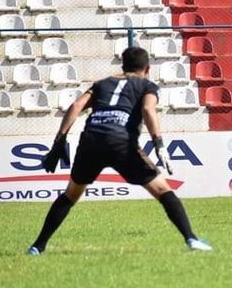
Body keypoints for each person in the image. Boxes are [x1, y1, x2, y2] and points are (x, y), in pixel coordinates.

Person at [27, 47, 213, 255]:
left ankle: (37, 246)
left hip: (91, 140)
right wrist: (158, 143)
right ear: (147, 68)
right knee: (162, 190)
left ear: (123, 65)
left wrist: (59, 142)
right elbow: (148, 109)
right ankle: (191, 239)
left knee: (71, 194)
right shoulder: (147, 85)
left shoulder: (102, 84)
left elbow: (76, 105)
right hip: (121, 142)